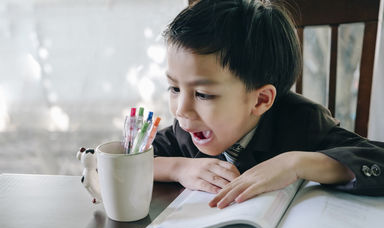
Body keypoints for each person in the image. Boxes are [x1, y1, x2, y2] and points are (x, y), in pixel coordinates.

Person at [152, 0, 384, 209]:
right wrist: (178, 168)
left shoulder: (302, 121)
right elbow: (126, 157)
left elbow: (376, 159)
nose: (181, 109)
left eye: (202, 94)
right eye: (175, 89)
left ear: (261, 100)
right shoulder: (185, 131)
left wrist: (295, 163)